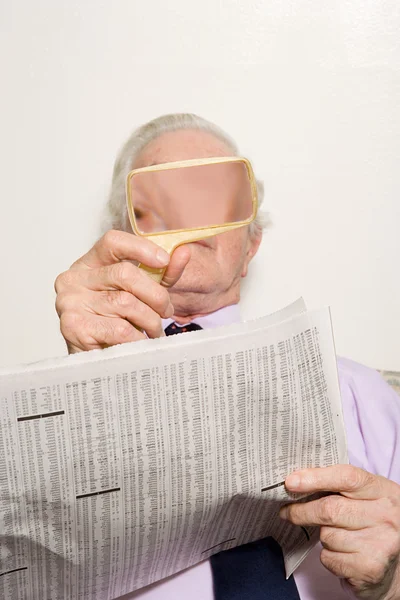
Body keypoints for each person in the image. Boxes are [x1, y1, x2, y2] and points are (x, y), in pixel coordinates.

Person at [55, 113, 400, 600]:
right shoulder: (56, 405)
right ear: (123, 236)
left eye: (215, 197)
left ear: (251, 243)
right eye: (161, 201)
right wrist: (79, 375)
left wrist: (394, 582)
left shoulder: (365, 396)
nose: (190, 216)